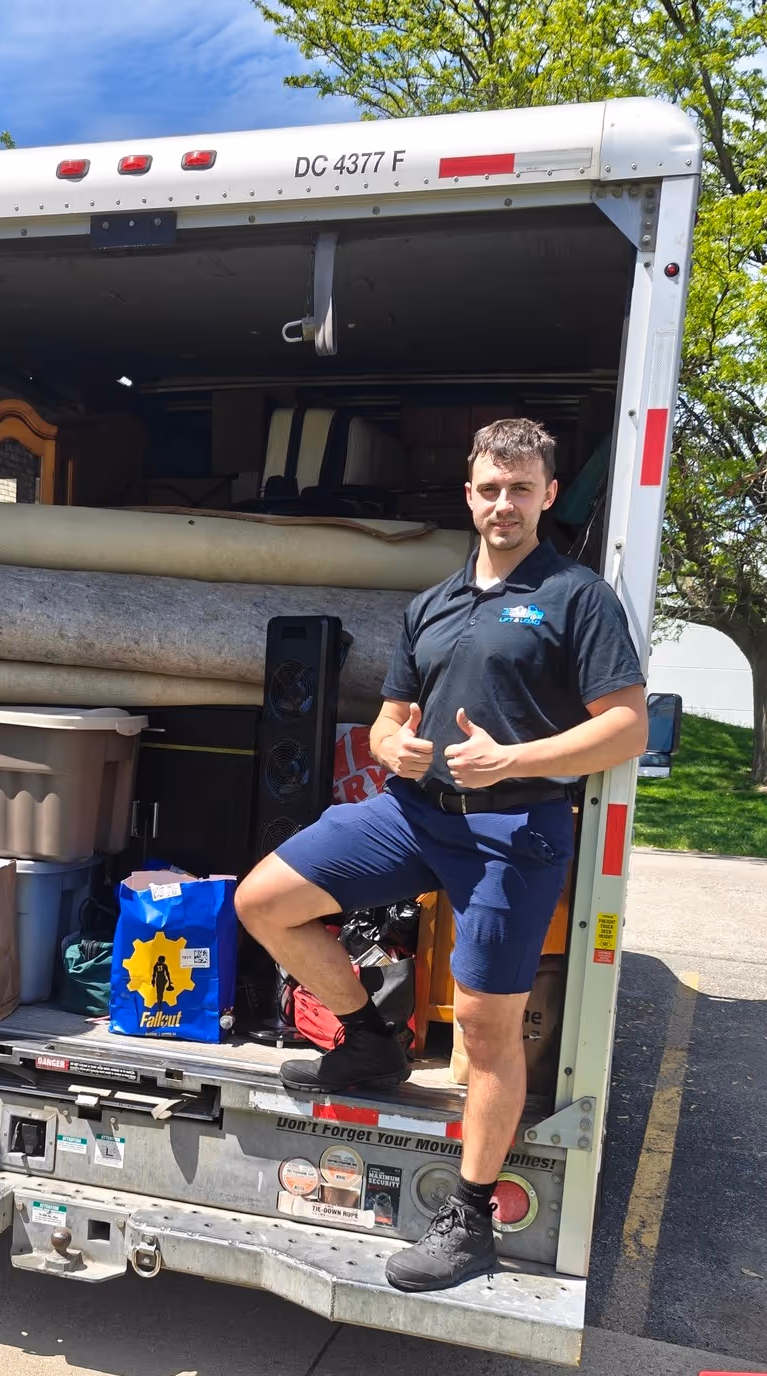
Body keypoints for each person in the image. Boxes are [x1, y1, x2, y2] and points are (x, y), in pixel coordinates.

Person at [237, 418, 648, 1293]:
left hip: (515, 831)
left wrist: (515, 759)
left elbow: (626, 726)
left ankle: (468, 1221)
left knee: (484, 1026)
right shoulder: (432, 604)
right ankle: (369, 1038)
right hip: (414, 814)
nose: (503, 503)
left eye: (521, 488)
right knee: (263, 898)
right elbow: (389, 720)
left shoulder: (578, 597)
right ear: (468, 495)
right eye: (489, 488)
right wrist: (395, 751)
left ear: (545, 494)